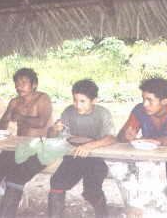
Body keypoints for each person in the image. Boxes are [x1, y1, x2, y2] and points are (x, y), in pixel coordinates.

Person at [115, 77, 167, 218]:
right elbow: (120, 136)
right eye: (143, 99)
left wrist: (139, 139)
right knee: (139, 189)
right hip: (149, 158)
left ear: (164, 101)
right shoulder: (139, 110)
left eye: (150, 100)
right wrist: (126, 136)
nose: (145, 104)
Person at [0, 68, 52, 218]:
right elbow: (2, 126)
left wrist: (21, 117)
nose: (20, 86)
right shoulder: (14, 101)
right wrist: (7, 115)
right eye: (17, 83)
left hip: (40, 150)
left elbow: (41, 122)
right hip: (17, 148)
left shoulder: (43, 98)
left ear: (34, 85)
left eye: (24, 83)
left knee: (15, 178)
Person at [47, 79, 116, 218]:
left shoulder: (103, 114)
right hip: (73, 157)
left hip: (96, 160)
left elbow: (111, 138)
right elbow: (52, 137)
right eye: (75, 100)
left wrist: (89, 146)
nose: (77, 105)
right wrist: (54, 129)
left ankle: (103, 214)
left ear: (94, 100)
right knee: (56, 184)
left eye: (82, 101)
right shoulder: (68, 112)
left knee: (91, 190)